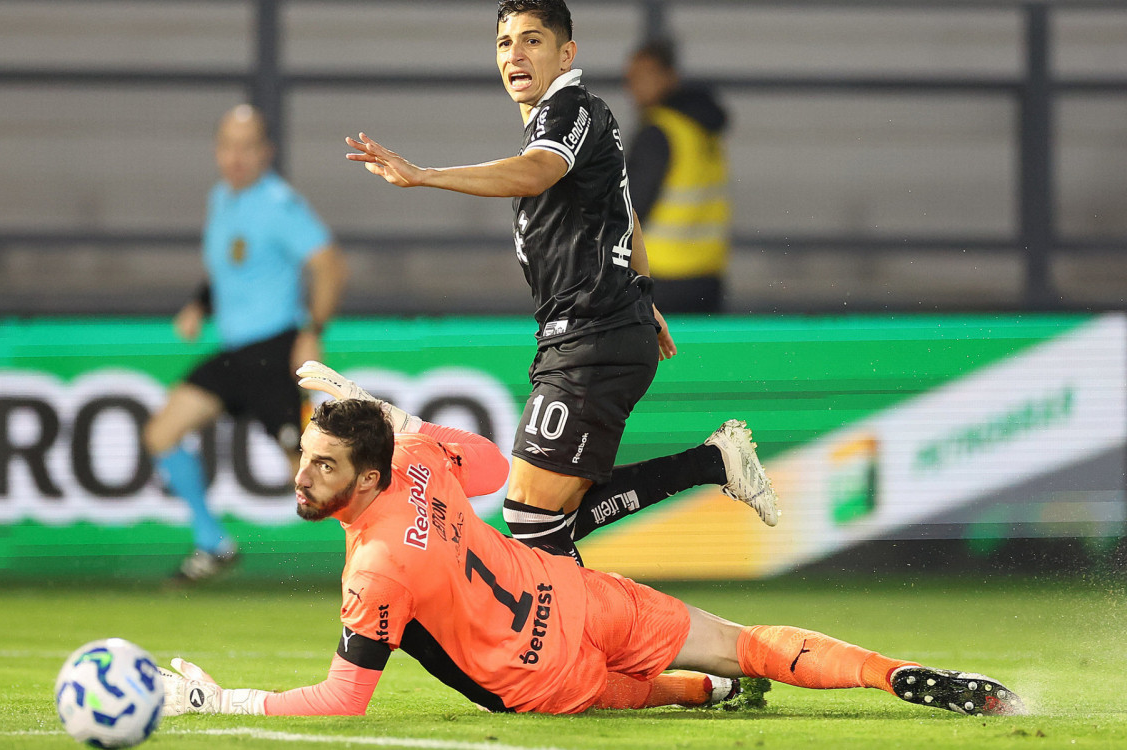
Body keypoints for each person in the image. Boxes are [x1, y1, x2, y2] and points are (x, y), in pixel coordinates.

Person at [158, 384, 1025, 718]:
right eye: (306, 459)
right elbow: (491, 468)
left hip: (544, 679)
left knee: (639, 694)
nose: (303, 476)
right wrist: (397, 417)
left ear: (369, 477)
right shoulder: (415, 459)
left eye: (324, 465)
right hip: (577, 597)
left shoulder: (373, 569)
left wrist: (220, 700)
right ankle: (890, 674)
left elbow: (345, 700)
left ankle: (708, 691)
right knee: (745, 640)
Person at [344, 0, 776, 564]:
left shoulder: (568, 109)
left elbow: (537, 172)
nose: (515, 55)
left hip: (593, 336)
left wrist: (424, 175)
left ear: (566, 53)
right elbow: (626, 214)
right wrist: (642, 296)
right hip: (592, 332)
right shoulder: (574, 121)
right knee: (544, 524)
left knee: (531, 518)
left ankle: (707, 472)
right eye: (504, 43)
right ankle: (712, 464)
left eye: (532, 40)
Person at [144, 104, 349, 584]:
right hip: (235, 355)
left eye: (247, 147)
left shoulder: (279, 204)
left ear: (266, 152)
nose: (236, 157)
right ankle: (212, 542)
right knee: (160, 433)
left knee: (311, 475)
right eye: (228, 147)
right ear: (218, 151)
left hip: (273, 354)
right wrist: (200, 305)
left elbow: (330, 266)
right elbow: (231, 269)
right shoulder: (221, 199)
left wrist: (312, 331)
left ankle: (391, 559)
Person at [624, 38, 732, 313]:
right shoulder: (701, 129)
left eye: (646, 75)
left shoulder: (658, 132)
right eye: (632, 77)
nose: (635, 86)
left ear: (669, 77)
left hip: (661, 275)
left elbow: (631, 207)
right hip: (707, 274)